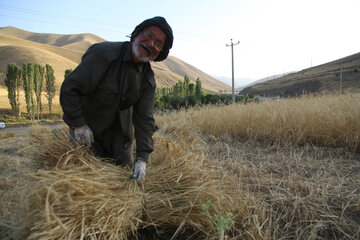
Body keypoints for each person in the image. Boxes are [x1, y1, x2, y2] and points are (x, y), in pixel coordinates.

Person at [60, 16, 173, 185]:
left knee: (122, 180)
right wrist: (78, 125)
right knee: (84, 182)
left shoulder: (147, 79)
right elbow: (71, 89)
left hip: (120, 133)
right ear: (135, 35)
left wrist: (143, 159)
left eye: (158, 44)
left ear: (158, 54)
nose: (151, 44)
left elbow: (144, 119)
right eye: (149, 36)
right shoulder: (102, 54)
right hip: (87, 127)